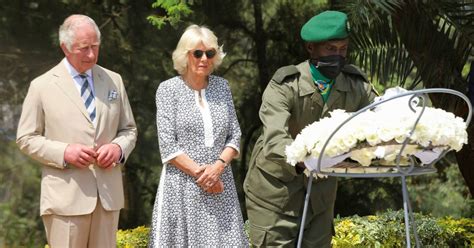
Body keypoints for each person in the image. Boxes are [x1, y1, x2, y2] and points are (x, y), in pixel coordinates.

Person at [244, 10, 377, 247]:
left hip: (320, 195)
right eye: (330, 49)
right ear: (311, 48)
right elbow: (275, 139)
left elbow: (383, 121)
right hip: (276, 192)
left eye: (343, 49)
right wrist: (311, 159)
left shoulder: (355, 85)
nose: (338, 56)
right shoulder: (285, 85)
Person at [16, 14, 138, 247]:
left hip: (108, 199)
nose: (91, 55)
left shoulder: (114, 81)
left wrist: (118, 148)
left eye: (95, 47)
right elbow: (25, 138)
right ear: (65, 47)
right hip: (65, 202)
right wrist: (64, 152)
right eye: (84, 48)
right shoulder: (41, 86)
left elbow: (129, 130)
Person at [148, 24, 248, 247]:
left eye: (210, 53)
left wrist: (217, 168)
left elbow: (235, 134)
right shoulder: (167, 90)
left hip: (220, 184)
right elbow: (167, 144)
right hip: (182, 187)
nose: (204, 59)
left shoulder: (222, 87)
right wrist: (203, 175)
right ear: (185, 55)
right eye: (198, 53)